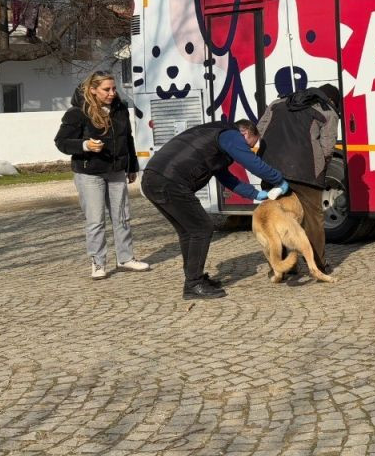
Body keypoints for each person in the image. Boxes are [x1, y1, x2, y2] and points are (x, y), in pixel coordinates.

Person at [141, 119, 288, 299]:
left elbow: (227, 178)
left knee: (189, 231)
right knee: (202, 228)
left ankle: (194, 278)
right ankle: (193, 285)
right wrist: (279, 180)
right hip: (170, 182)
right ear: (246, 134)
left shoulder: (216, 140)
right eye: (251, 144)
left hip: (153, 179)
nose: (249, 149)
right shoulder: (230, 135)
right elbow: (251, 163)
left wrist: (256, 195)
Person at [54, 70, 150, 280]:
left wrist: (132, 166)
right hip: (90, 173)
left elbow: (128, 138)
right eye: (106, 89)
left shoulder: (120, 109)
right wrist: (85, 145)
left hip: (116, 170)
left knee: (122, 216)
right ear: (93, 90)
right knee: (96, 220)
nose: (112, 93)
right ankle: (98, 262)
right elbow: (61, 142)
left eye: (114, 88)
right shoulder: (77, 112)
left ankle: (125, 258)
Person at [256, 83, 342, 278]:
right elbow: (328, 147)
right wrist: (320, 166)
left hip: (271, 168)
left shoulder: (277, 103)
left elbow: (260, 130)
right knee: (312, 218)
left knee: (276, 216)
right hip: (306, 170)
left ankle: (280, 267)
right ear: (332, 100)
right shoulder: (328, 111)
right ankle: (318, 266)